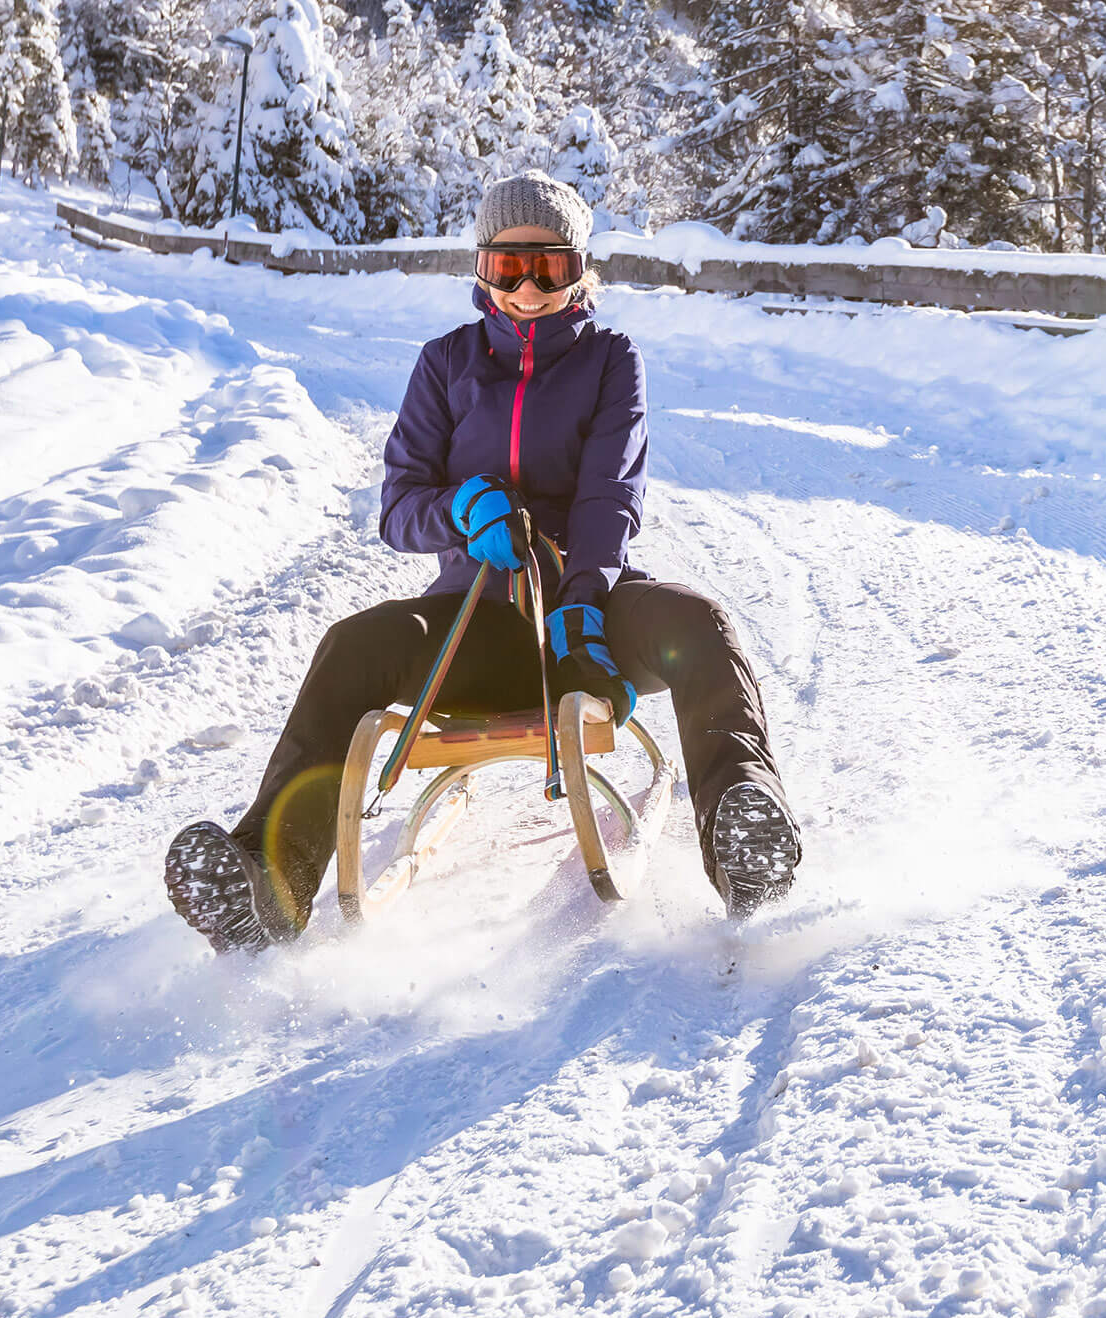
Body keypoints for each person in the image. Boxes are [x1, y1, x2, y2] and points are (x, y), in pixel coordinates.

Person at [164, 169, 801, 951]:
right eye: (509, 268)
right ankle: (269, 880)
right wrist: (461, 511)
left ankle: (744, 829)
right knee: (353, 645)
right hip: (478, 624)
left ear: (580, 271)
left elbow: (611, 497)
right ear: (481, 269)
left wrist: (582, 602)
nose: (529, 290)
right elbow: (398, 507)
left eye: (551, 268)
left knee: (699, 622)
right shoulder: (445, 364)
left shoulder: (611, 360)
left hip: (590, 623)